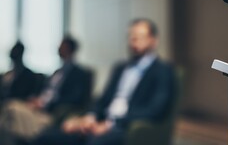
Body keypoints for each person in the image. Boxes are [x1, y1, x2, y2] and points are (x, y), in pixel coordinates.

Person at [33, 18, 175, 145]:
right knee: (44, 138)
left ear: (154, 41)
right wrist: (89, 118)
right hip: (99, 123)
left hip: (125, 128)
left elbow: (154, 110)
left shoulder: (163, 71)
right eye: (131, 37)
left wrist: (111, 124)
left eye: (140, 37)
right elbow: (103, 100)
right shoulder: (120, 68)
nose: (134, 41)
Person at [0, 36, 91, 145]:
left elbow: (73, 98)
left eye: (62, 46)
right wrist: (36, 100)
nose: (58, 48)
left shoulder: (80, 73)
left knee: (12, 110)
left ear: (70, 49)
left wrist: (45, 104)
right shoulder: (57, 71)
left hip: (52, 112)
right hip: (37, 108)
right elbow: (45, 92)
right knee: (9, 113)